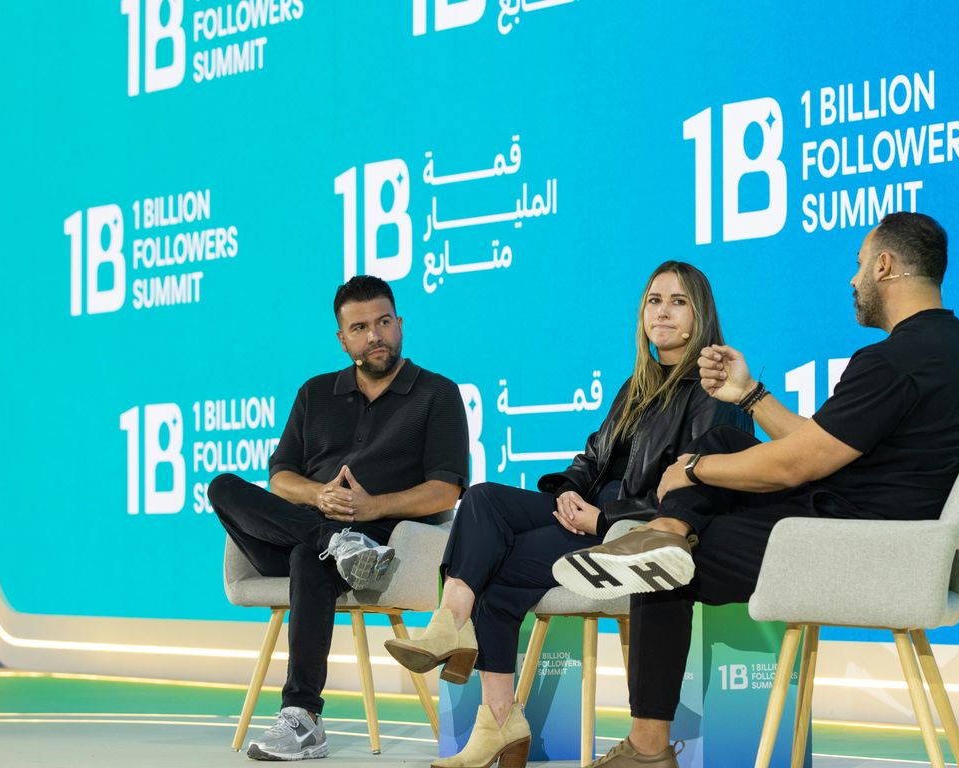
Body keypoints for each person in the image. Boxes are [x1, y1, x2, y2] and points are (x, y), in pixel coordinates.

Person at [555, 213, 959, 768]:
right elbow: (819, 444)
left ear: (885, 266)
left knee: (664, 569)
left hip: (849, 549)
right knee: (723, 442)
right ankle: (667, 530)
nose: (854, 279)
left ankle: (648, 747)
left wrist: (695, 470)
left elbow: (798, 464)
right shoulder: (955, 355)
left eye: (860, 264)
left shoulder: (895, 362)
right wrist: (749, 394)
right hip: (892, 546)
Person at [384, 261, 749, 768]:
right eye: (654, 300)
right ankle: (452, 620)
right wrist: (569, 493)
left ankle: (496, 715)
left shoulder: (714, 391)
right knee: (484, 498)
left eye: (677, 301)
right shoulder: (637, 386)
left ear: (700, 316)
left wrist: (601, 519)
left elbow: (694, 492)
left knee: (498, 573)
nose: (662, 312)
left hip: (630, 531)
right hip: (590, 513)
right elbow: (593, 457)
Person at [209, 275, 469, 761]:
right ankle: (334, 541)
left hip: (379, 549)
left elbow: (446, 490)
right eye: (360, 328)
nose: (375, 336)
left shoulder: (437, 394)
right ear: (342, 339)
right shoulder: (315, 393)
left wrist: (372, 507)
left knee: (309, 558)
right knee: (222, 486)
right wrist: (319, 495)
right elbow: (280, 478)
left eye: (383, 323)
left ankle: (302, 717)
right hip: (304, 530)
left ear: (400, 324)